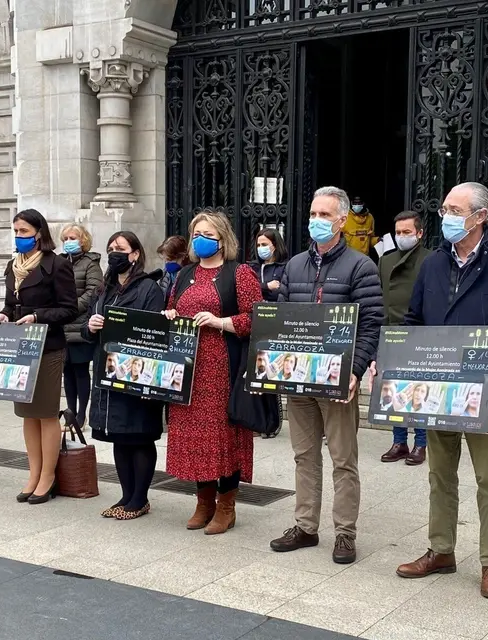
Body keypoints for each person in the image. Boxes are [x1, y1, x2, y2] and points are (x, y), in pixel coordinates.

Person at [387, 182, 488, 600]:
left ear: (480, 217)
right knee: (440, 476)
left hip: (485, 393)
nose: (446, 217)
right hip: (438, 391)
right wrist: (396, 359)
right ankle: (440, 550)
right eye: (444, 209)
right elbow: (415, 320)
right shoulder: (433, 264)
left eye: (455, 210)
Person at [269, 186, 384, 564]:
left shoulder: (360, 266)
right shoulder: (295, 265)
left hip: (338, 382)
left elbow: (371, 324)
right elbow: (281, 323)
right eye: (313, 214)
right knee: (304, 456)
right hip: (299, 377)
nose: (316, 221)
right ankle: (305, 526)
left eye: (324, 215)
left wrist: (354, 370)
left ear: (341, 220)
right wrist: (273, 369)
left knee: (343, 460)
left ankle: (345, 533)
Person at [166, 211, 261, 535]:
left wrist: (221, 322)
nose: (200, 239)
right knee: (196, 439)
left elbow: (258, 317)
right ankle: (203, 501)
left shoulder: (240, 273)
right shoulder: (185, 274)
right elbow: (172, 307)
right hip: (188, 369)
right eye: (196, 234)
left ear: (222, 240)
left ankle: (226, 505)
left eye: (207, 234)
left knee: (223, 436)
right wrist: (169, 314)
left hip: (221, 366)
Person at [0, 209, 78, 505]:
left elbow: (70, 308)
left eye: (23, 232)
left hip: (47, 346)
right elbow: (9, 303)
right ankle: (33, 473)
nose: (18, 237)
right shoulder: (12, 265)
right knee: (27, 414)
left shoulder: (56, 265)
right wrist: (4, 314)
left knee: (45, 412)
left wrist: (36, 316)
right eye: (16, 231)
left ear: (39, 233)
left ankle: (48, 475)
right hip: (20, 347)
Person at [84, 231, 166, 520]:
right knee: (119, 436)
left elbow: (153, 332)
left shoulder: (148, 288)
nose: (114, 252)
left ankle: (140, 498)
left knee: (139, 435)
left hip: (136, 373)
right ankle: (126, 494)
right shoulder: (104, 289)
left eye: (120, 248)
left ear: (134, 254)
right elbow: (86, 330)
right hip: (107, 373)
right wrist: (91, 326)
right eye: (110, 248)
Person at [379, 210, 432, 466]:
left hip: (420, 334)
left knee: (418, 391)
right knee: (395, 390)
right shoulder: (386, 260)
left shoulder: (431, 259)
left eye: (407, 232)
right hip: (392, 333)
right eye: (398, 232)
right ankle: (399, 441)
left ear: (419, 233)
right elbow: (381, 299)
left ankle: (421, 443)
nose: (401, 237)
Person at [61, 223, 103, 428]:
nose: (68, 242)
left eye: (72, 238)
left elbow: (93, 291)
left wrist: (70, 308)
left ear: (83, 240)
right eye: (65, 239)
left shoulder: (90, 263)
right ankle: (70, 412)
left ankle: (81, 415)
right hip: (61, 326)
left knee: (80, 371)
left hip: (79, 325)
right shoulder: (60, 262)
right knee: (66, 372)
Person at [250, 228, 288, 302]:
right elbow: (247, 289)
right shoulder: (252, 267)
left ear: (275, 245)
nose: (260, 248)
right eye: (258, 245)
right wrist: (267, 286)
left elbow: (282, 292)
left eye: (264, 244)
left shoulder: (285, 267)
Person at [343, 196, 378, 261]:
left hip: (364, 258)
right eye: (355, 203)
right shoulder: (345, 217)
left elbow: (370, 239)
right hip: (349, 258)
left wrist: (377, 240)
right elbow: (338, 239)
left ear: (363, 203)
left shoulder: (370, 218)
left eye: (359, 203)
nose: (357, 205)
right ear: (351, 203)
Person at [157, 235, 188, 300]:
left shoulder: (190, 275)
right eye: (165, 259)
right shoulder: (165, 273)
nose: (166, 262)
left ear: (182, 256)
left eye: (169, 259)